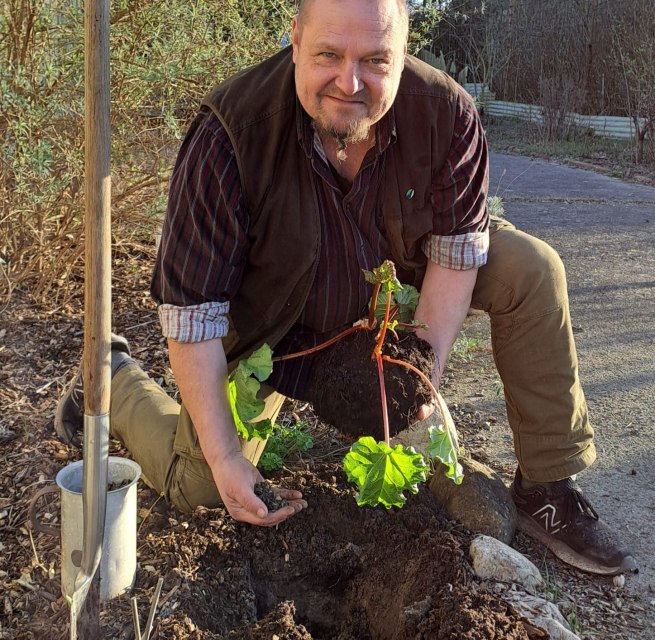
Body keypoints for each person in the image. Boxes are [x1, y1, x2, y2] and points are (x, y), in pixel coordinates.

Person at [56, 0, 636, 575]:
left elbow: (457, 259)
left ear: (404, 54)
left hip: (389, 301)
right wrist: (228, 455)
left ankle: (546, 487)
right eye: (328, 54)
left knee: (532, 268)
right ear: (296, 39)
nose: (349, 81)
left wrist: (413, 389)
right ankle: (109, 376)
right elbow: (192, 311)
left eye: (376, 60)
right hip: (278, 330)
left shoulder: (447, 114)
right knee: (202, 488)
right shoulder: (231, 133)